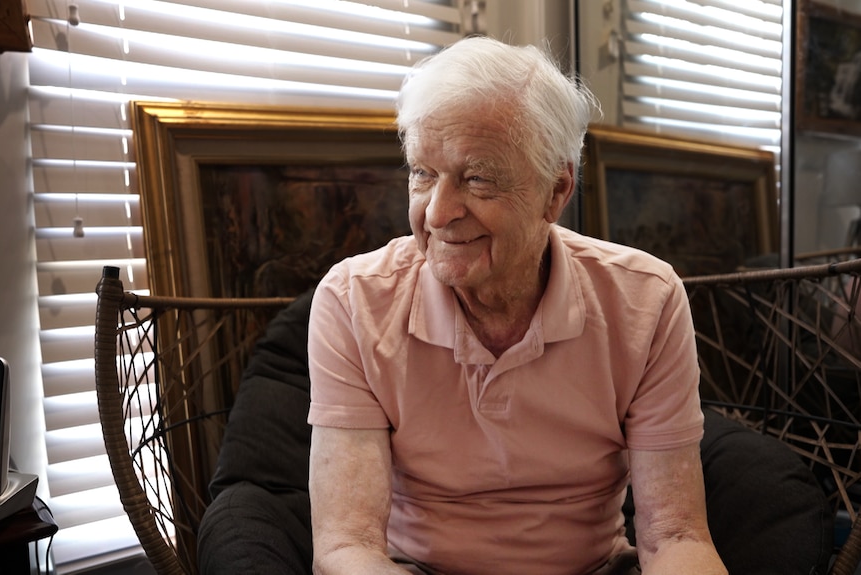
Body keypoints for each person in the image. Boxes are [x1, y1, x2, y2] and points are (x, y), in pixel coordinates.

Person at [306, 35, 727, 575]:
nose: (437, 213)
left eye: (476, 178)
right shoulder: (352, 301)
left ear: (556, 191)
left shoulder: (647, 300)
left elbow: (674, 535)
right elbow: (347, 547)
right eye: (423, 173)